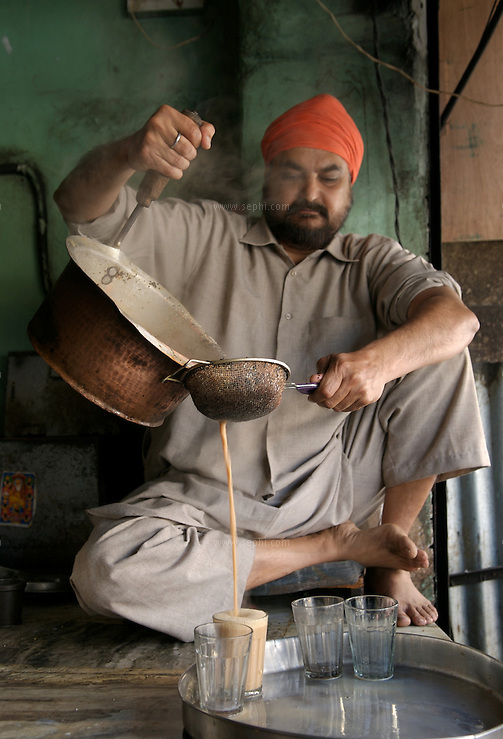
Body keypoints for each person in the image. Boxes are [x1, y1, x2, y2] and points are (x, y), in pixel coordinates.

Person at [54, 94, 489, 641]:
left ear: (351, 190)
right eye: (291, 173)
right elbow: (79, 207)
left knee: (437, 347)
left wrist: (377, 363)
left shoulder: (372, 260)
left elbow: (457, 321)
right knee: (106, 569)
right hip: (204, 500)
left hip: (331, 486)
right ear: (265, 179)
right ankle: (337, 547)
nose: (310, 193)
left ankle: (387, 559)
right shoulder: (207, 234)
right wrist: (127, 154)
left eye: (330, 177)